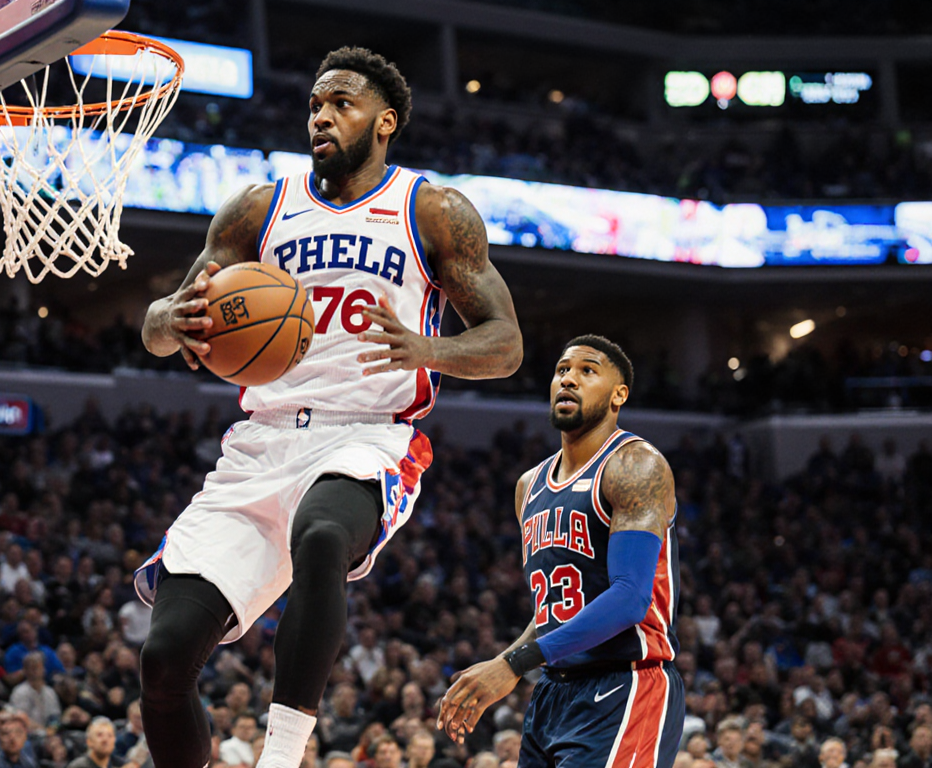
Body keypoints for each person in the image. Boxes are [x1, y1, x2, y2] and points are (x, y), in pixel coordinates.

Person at [135, 45, 522, 768]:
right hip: (262, 441)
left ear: (385, 122)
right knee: (163, 660)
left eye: (342, 103)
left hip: (367, 436)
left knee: (320, 536)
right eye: (315, 103)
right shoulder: (258, 207)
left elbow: (506, 344)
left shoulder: (431, 209)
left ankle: (280, 758)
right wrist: (162, 320)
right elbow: (170, 325)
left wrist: (430, 351)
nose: (322, 116)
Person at [438, 336, 684, 768]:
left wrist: (514, 665)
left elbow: (630, 598)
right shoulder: (528, 486)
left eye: (587, 371)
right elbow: (553, 613)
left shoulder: (635, 465)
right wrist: (501, 665)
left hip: (625, 684)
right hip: (552, 690)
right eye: (561, 370)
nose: (568, 379)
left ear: (618, 394)